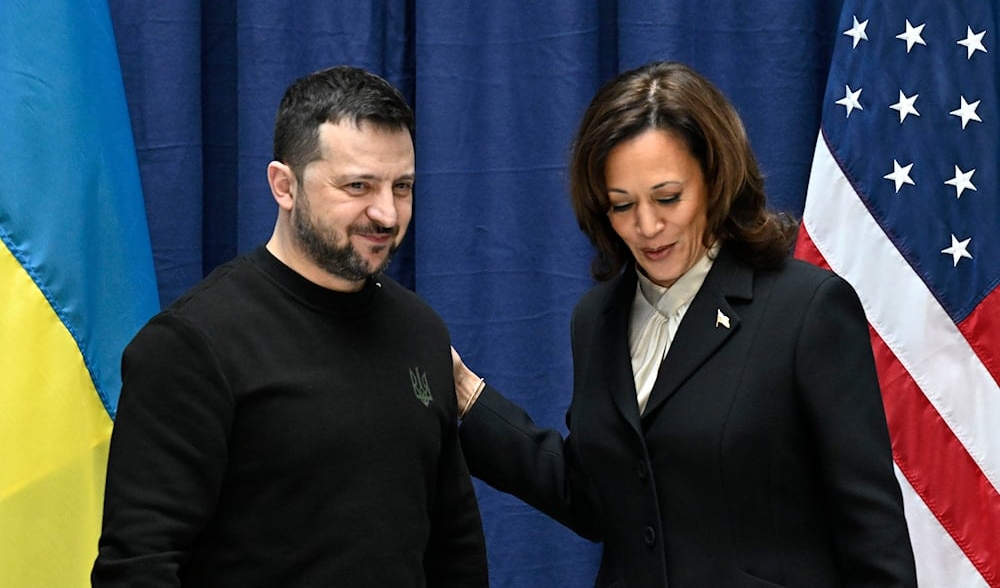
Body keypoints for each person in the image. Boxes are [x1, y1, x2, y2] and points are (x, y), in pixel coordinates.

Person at [452, 61, 916, 587]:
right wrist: (470, 397)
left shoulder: (807, 310)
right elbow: (595, 498)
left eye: (668, 197)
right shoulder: (596, 319)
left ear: (716, 180)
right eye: (621, 206)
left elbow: (872, 535)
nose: (647, 227)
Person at [93, 65, 489, 587]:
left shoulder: (421, 331)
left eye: (403, 186)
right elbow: (138, 567)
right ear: (284, 185)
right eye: (358, 186)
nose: (387, 214)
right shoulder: (194, 344)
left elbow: (453, 551)